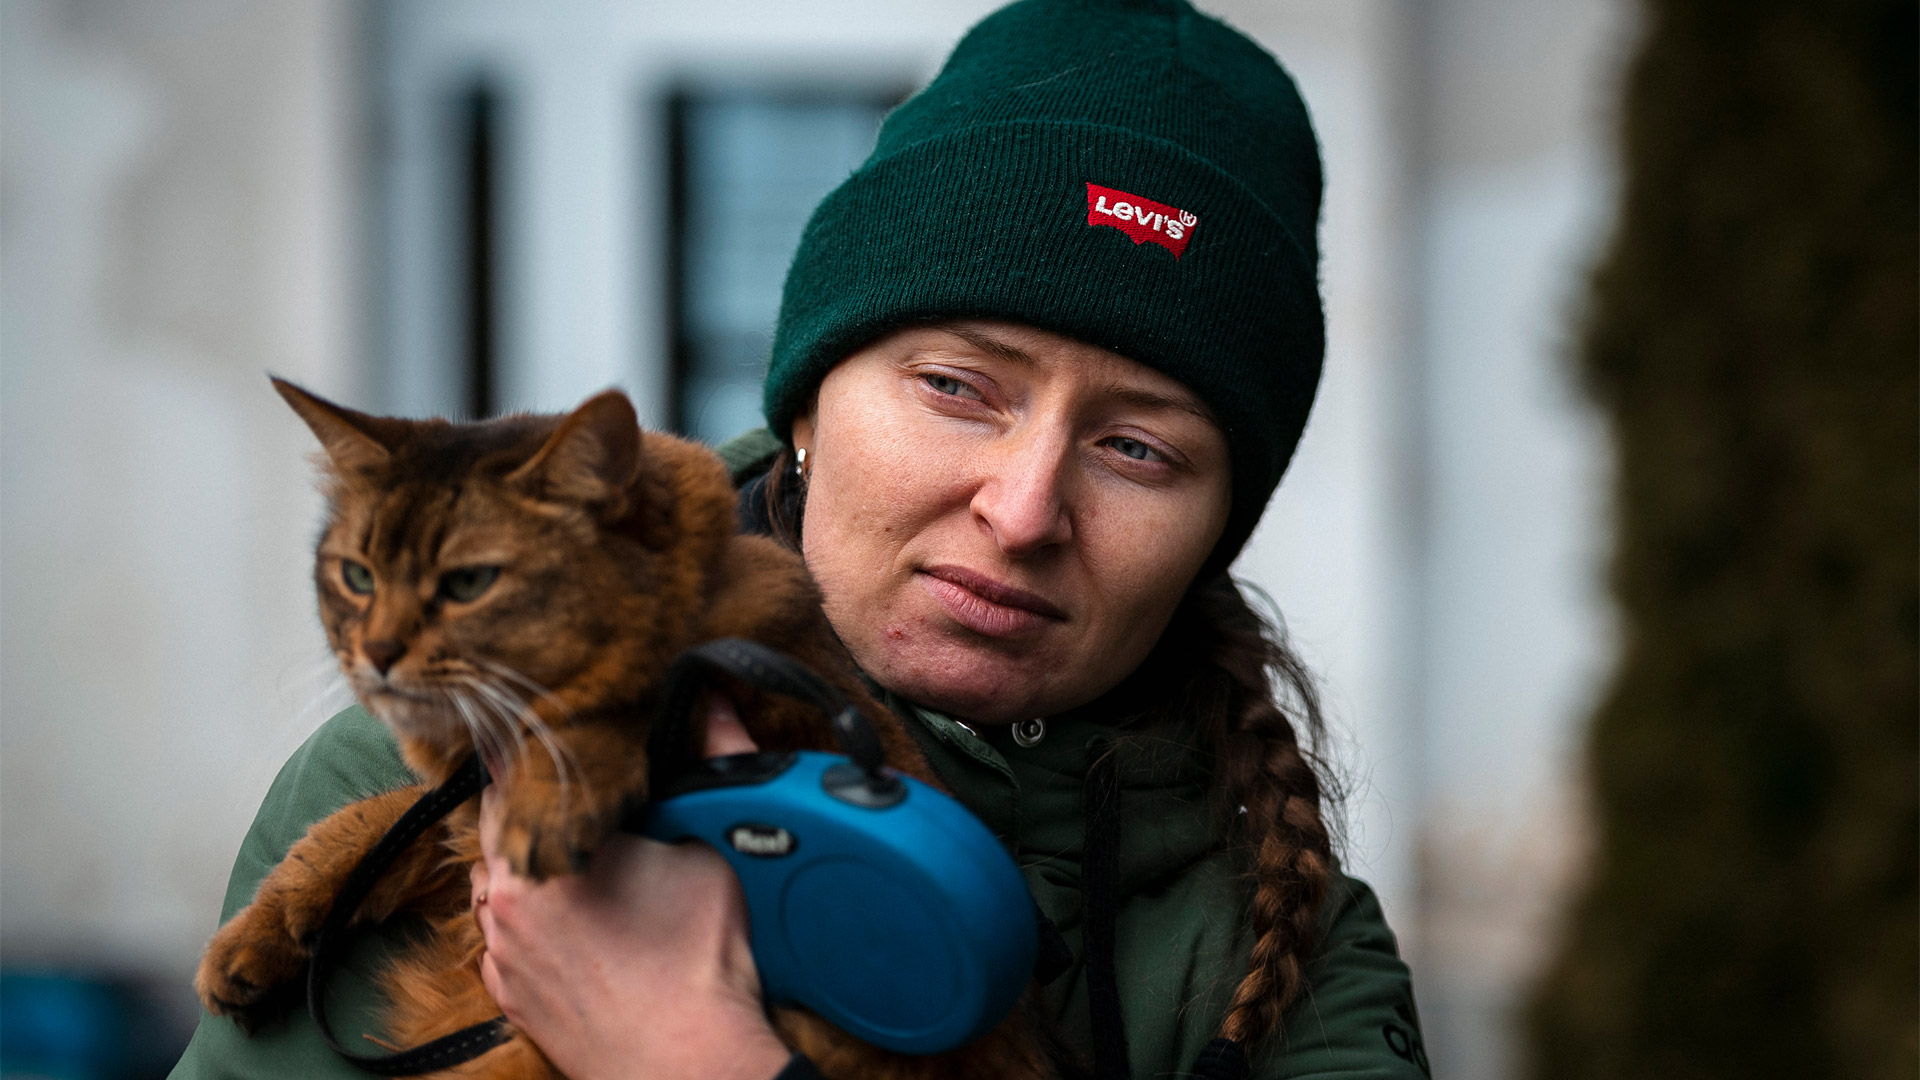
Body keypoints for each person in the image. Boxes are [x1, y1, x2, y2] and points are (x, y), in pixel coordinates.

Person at [170, 1, 1429, 1077]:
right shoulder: (422, 767)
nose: (1025, 509)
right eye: (956, 386)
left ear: (1216, 530)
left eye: (1138, 450)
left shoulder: (1284, 943)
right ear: (808, 406)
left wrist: (690, 1053)